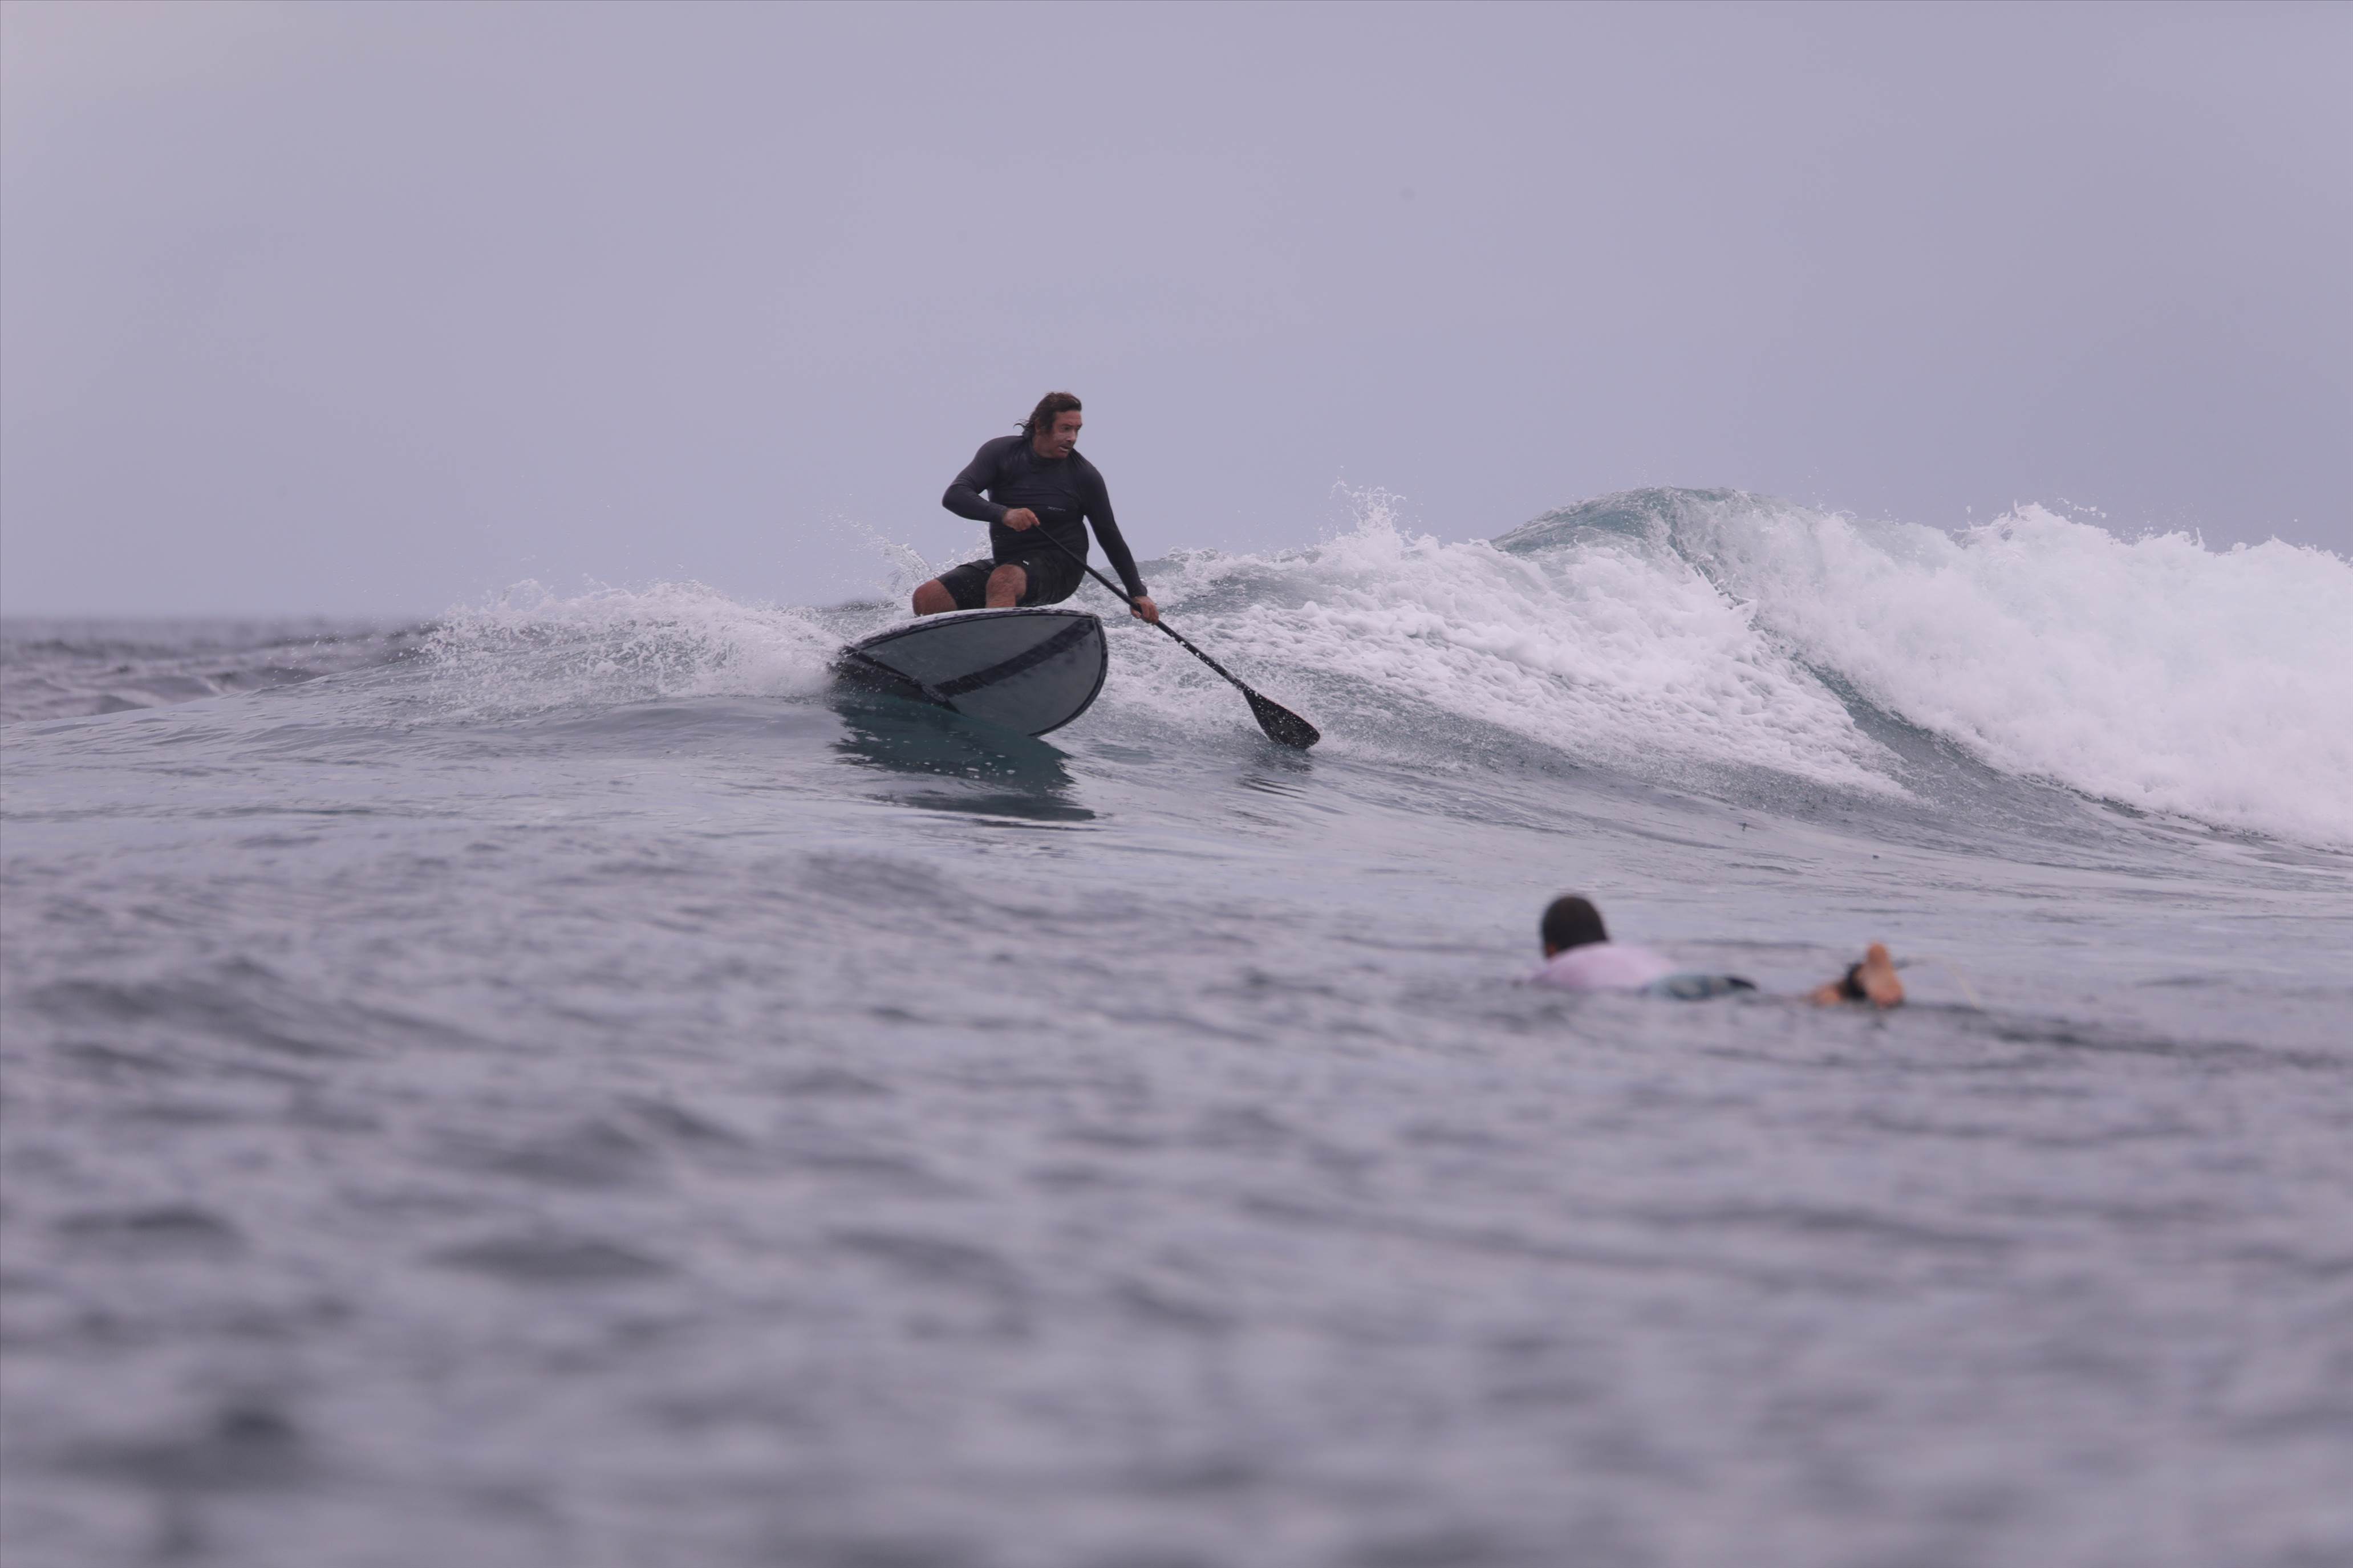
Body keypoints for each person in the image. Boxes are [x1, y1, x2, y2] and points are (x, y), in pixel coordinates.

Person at [912, 392, 1161, 625]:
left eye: (1077, 430)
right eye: (1065, 429)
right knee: (928, 597)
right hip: (1008, 562)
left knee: (1004, 580)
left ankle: (999, 649)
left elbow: (1109, 534)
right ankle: (961, 651)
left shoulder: (1084, 476)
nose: (1072, 438)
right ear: (1041, 426)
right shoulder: (1000, 454)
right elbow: (955, 496)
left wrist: (1137, 592)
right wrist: (1004, 514)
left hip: (1062, 568)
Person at [1527, 894, 1905, 1006]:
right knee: (1779, 1004)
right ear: (1605, 936)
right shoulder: (1630, 952)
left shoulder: (1558, 968)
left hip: (1658, 995)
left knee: (1782, 1010)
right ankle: (1854, 981)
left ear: (1551, 948)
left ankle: (1851, 986)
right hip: (1689, 979)